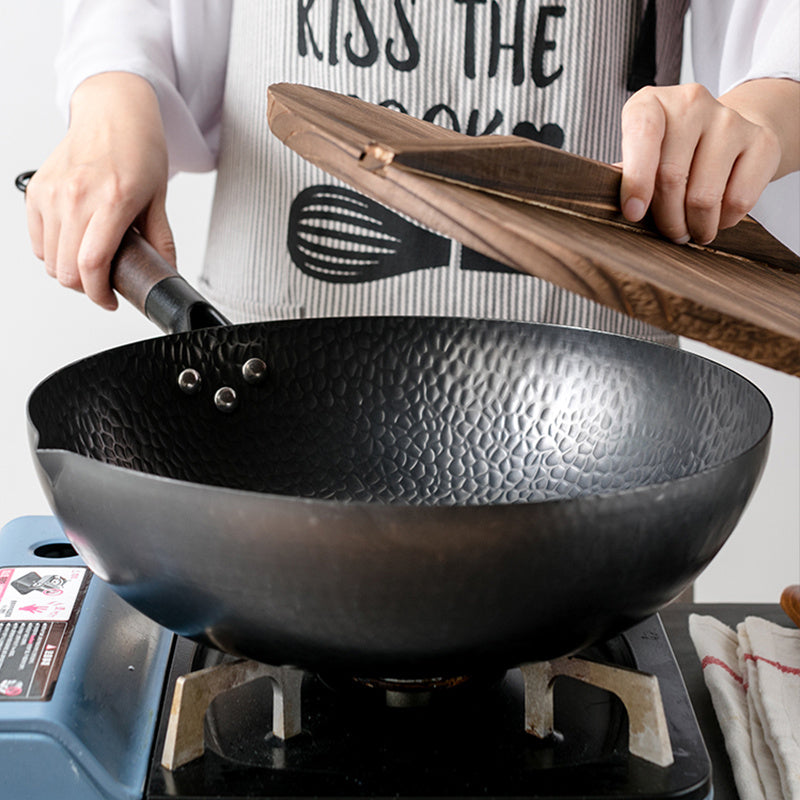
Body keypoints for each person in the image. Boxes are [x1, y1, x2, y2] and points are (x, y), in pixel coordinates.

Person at [24, 1, 799, 340]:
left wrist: (755, 122)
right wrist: (110, 92)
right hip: (270, 398)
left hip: (601, 425)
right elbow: (139, 15)